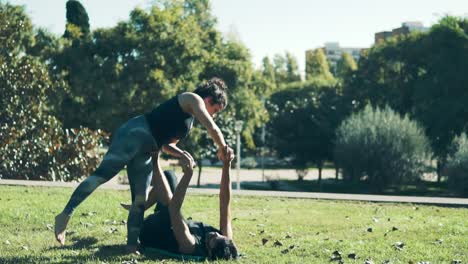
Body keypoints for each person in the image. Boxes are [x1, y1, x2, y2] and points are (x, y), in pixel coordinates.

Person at [54, 78, 233, 254]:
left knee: (139, 200)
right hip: (135, 134)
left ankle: (131, 246)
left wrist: (181, 153)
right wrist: (223, 148)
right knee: (103, 175)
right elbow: (212, 128)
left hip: (148, 150)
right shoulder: (191, 99)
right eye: (215, 110)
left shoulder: (189, 121)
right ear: (209, 100)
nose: (213, 115)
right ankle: (65, 214)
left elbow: (165, 144)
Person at [131, 146, 238, 260]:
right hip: (166, 220)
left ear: (210, 251)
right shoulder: (224, 238)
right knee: (169, 176)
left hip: (151, 231)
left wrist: (187, 175)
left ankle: (154, 155)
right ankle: (138, 208)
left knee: (169, 206)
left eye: (213, 238)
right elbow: (225, 203)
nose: (215, 234)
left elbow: (173, 209)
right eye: (219, 235)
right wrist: (227, 164)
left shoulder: (190, 245)